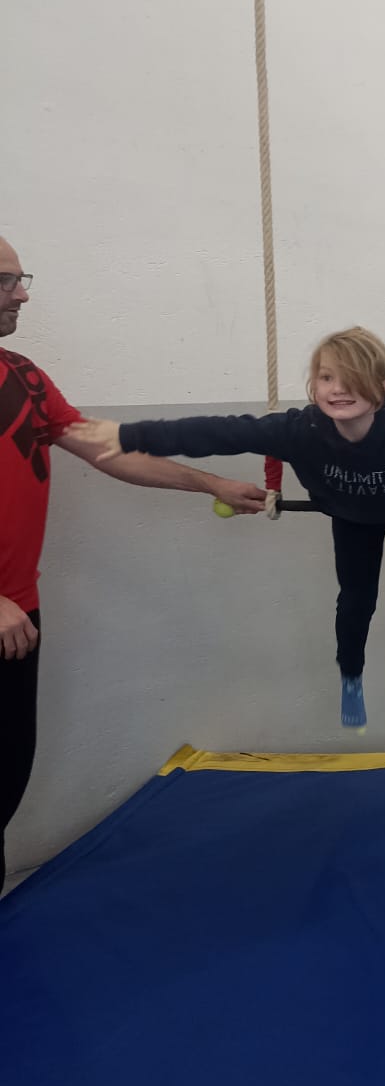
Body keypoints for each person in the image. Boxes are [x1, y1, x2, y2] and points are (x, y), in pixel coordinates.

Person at [71, 326, 385, 742]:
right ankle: (351, 676)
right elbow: (217, 431)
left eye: (352, 379)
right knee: (356, 602)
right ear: (314, 385)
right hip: (352, 516)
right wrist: (128, 434)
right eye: (326, 377)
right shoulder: (299, 430)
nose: (337, 388)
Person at [0, 236, 265, 881]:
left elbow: (106, 450)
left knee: (6, 777)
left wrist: (210, 483)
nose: (23, 294)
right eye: (7, 281)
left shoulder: (24, 378)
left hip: (18, 618)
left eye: (22, 279)